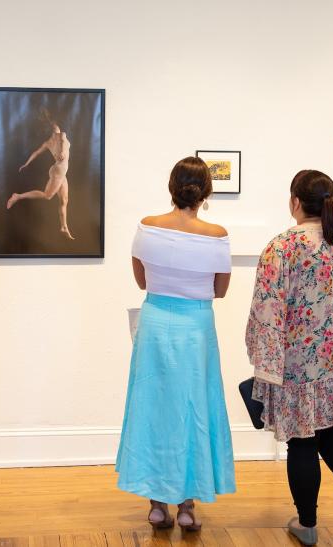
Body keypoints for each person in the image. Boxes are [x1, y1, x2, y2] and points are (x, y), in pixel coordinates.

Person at [245, 170, 333, 547]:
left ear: (295, 201)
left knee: (302, 440)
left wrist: (264, 359)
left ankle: (307, 525)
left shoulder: (282, 246)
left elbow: (267, 310)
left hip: (297, 364)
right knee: (330, 432)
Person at [116, 156, 235, 532]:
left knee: (154, 407)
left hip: (155, 323)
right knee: (193, 409)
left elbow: (141, 280)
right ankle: (186, 507)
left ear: (172, 187)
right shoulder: (216, 235)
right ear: (206, 193)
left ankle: (156, 505)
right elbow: (219, 290)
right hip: (195, 327)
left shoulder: (148, 227)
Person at [5, 108, 74, 239]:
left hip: (61, 172)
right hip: (58, 170)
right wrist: (63, 152)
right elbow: (63, 143)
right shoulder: (61, 136)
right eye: (54, 125)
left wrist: (26, 163)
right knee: (48, 196)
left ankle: (64, 226)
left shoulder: (49, 141)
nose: (56, 127)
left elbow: (36, 153)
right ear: (53, 127)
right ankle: (17, 196)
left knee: (64, 200)